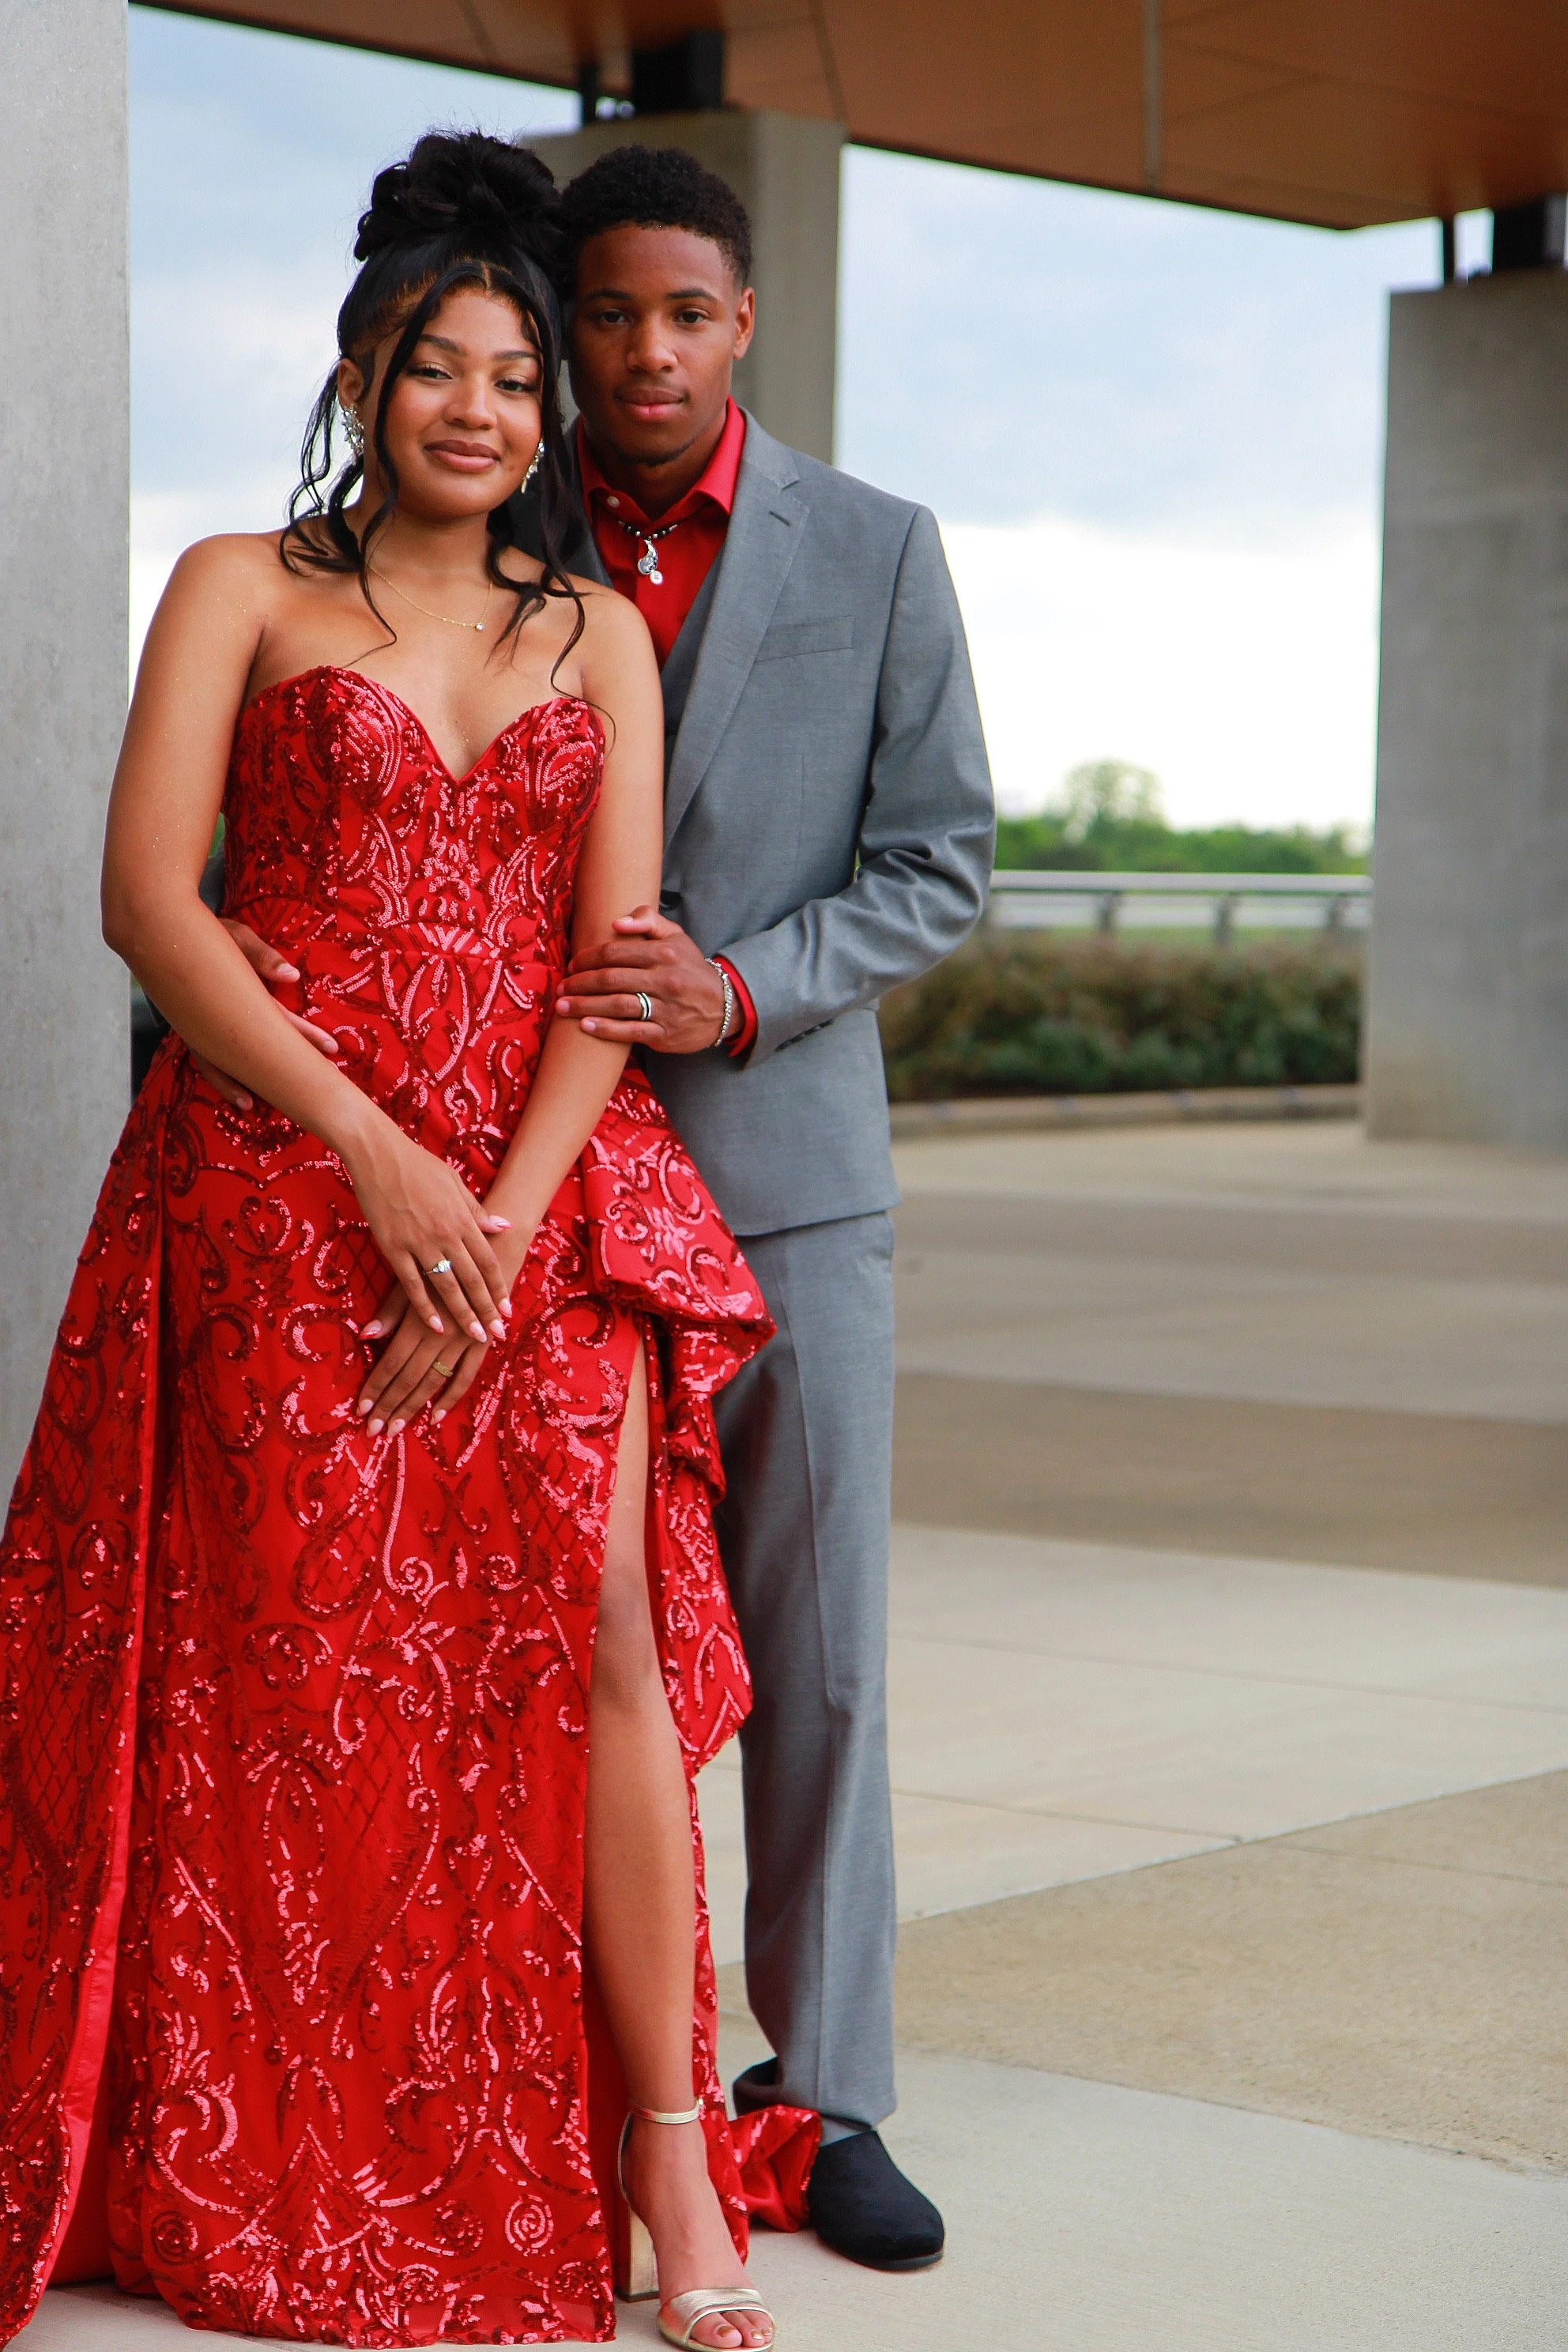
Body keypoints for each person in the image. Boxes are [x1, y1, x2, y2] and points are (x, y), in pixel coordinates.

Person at [0, 134, 793, 2352]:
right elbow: (148, 900)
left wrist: (506, 1221)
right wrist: (369, 1150)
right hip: (280, 1189)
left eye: (520, 379)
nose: (482, 410)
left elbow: (610, 969)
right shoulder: (238, 586)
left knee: (605, 1646)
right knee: (282, 1666)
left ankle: (669, 2153)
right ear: (360, 376)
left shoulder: (595, 634)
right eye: (438, 367)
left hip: (542, 1201)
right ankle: (278, 2125)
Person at [192, 141, 994, 2275]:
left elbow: (941, 865)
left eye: (685, 315)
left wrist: (741, 988)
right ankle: (544, 2075)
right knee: (510, 1649)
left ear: (745, 325)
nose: (644, 352)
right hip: (499, 1190)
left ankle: (824, 2094)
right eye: (605, 316)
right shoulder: (493, 528)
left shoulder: (877, 550)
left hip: (773, 1177)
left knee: (812, 1657)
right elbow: (310, 818)